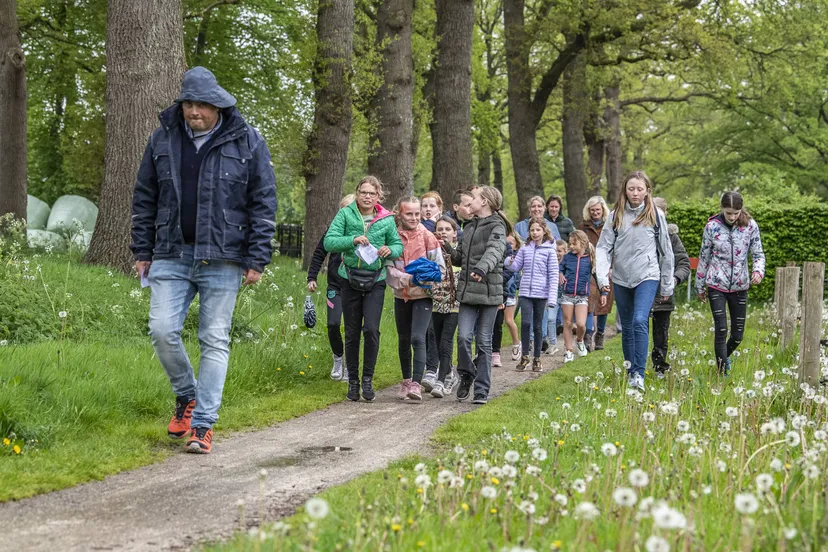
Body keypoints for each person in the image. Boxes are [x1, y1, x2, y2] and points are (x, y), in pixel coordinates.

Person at [131, 67, 277, 454]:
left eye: (202, 105)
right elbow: (145, 197)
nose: (194, 111)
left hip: (225, 258)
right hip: (170, 253)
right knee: (161, 330)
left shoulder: (247, 141)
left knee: (214, 338)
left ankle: (203, 424)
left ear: (219, 106)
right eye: (189, 104)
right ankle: (187, 395)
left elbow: (263, 203)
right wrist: (142, 250)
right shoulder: (162, 139)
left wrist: (257, 258)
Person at [324, 176, 403, 402]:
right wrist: (352, 240)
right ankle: (353, 382)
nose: (367, 197)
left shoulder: (387, 219)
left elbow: (397, 245)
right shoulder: (346, 214)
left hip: (375, 280)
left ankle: (367, 379)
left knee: (371, 329)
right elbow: (329, 242)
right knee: (351, 332)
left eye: (372, 193)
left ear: (379, 196)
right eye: (363, 192)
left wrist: (390, 249)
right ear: (357, 193)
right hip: (348, 278)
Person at [597, 171, 673, 391]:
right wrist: (603, 277)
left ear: (647, 191)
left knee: (640, 320)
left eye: (640, 189)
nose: (635, 193)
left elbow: (666, 252)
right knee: (627, 326)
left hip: (647, 275)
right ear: (625, 190)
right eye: (631, 189)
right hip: (621, 278)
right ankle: (631, 372)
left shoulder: (656, 215)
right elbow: (603, 248)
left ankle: (639, 374)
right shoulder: (615, 215)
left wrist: (667, 284)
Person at [443, 186, 509, 404]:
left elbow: (495, 251)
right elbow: (460, 258)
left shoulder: (497, 226)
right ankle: (467, 374)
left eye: (474, 197)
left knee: (483, 342)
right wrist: (447, 248)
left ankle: (481, 390)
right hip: (468, 291)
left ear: (485, 202)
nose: (470, 201)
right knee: (463, 338)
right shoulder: (469, 227)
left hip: (490, 292)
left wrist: (481, 269)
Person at [695, 191, 765, 375]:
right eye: (728, 213)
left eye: (736, 213)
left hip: (740, 285)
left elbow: (758, 253)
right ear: (722, 209)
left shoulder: (750, 226)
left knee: (737, 335)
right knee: (721, 328)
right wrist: (699, 285)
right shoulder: (712, 227)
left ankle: (724, 357)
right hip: (716, 283)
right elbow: (704, 256)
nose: (732, 217)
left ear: (741, 210)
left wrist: (758, 271)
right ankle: (720, 371)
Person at [387, 196, 446, 400]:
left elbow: (441, 269)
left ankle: (415, 383)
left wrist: (425, 277)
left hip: (423, 296)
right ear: (399, 214)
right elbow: (389, 270)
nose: (413, 218)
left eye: (416, 214)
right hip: (400, 296)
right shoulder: (392, 237)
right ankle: (405, 381)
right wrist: (408, 278)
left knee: (417, 337)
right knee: (403, 339)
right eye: (409, 214)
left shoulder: (428, 236)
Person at [307, 194, 355, 382]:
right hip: (335, 286)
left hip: (355, 287)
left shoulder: (364, 231)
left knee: (353, 328)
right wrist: (312, 277)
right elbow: (319, 253)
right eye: (344, 210)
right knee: (333, 324)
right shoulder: (332, 231)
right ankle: (338, 358)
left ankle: (351, 367)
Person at [506, 217, 559, 372]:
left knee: (537, 326)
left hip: (541, 294)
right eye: (532, 230)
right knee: (526, 323)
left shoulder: (550, 250)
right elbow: (516, 267)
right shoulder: (525, 248)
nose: (535, 233)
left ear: (544, 230)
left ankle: (537, 358)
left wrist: (552, 298)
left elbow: (553, 275)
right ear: (529, 231)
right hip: (525, 293)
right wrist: (509, 259)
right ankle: (524, 357)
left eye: (538, 230)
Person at [649, 198, 691, 378]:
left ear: (665, 214)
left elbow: (684, 263)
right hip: (641, 290)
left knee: (661, 332)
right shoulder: (641, 234)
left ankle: (660, 367)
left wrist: (674, 279)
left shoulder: (672, 238)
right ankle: (634, 367)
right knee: (638, 328)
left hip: (663, 293)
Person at [428, 216, 462, 398]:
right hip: (434, 302)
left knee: (446, 341)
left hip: (454, 304)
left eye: (447, 229)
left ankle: (441, 381)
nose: (443, 232)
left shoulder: (458, 252)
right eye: (439, 229)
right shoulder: (432, 250)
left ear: (455, 233)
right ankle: (449, 373)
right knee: (437, 339)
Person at [581, 196, 613, 350]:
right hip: (589, 267)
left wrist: (612, 267)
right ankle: (588, 334)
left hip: (606, 267)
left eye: (597, 210)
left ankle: (600, 334)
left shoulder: (611, 225)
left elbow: (616, 247)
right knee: (589, 301)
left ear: (603, 210)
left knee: (603, 303)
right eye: (592, 210)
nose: (595, 212)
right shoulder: (584, 227)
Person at [559, 230, 594, 363]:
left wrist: (604, 292)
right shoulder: (567, 257)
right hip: (567, 294)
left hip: (582, 296)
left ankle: (579, 340)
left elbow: (597, 273)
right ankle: (568, 351)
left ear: (583, 243)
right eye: (570, 243)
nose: (571, 246)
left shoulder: (589, 259)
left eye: (574, 244)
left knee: (580, 324)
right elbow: (560, 268)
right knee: (567, 323)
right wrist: (560, 274)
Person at [492, 232, 519, 367]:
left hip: (509, 295)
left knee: (508, 321)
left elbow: (512, 278)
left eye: (512, 243)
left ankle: (516, 343)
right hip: (497, 292)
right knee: (496, 322)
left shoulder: (513, 263)